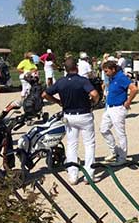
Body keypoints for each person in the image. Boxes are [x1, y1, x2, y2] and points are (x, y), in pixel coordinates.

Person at [42, 57, 99, 185]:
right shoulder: (83, 81)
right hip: (84, 114)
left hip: (69, 115)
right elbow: (95, 94)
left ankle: (72, 175)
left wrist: (57, 101)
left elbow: (44, 94)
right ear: (76, 68)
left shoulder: (61, 82)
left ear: (65, 69)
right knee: (89, 144)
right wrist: (93, 103)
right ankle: (89, 174)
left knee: (72, 144)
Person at [100, 60, 138, 163]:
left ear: (113, 69)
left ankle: (122, 157)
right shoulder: (112, 78)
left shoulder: (121, 77)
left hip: (118, 108)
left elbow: (134, 89)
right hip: (110, 107)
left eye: (107, 71)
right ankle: (114, 150)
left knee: (120, 133)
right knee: (103, 129)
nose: (105, 74)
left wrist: (128, 101)